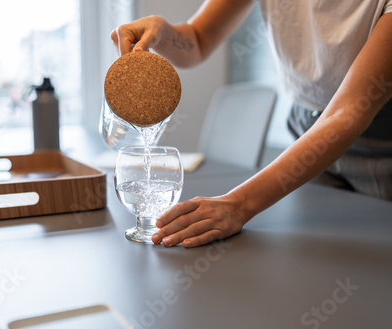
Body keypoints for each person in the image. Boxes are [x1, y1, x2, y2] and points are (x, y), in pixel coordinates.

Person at [111, 0, 392, 248]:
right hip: (307, 129)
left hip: (382, 139)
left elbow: (349, 111)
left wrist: (238, 204)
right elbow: (198, 39)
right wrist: (163, 31)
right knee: (317, 254)